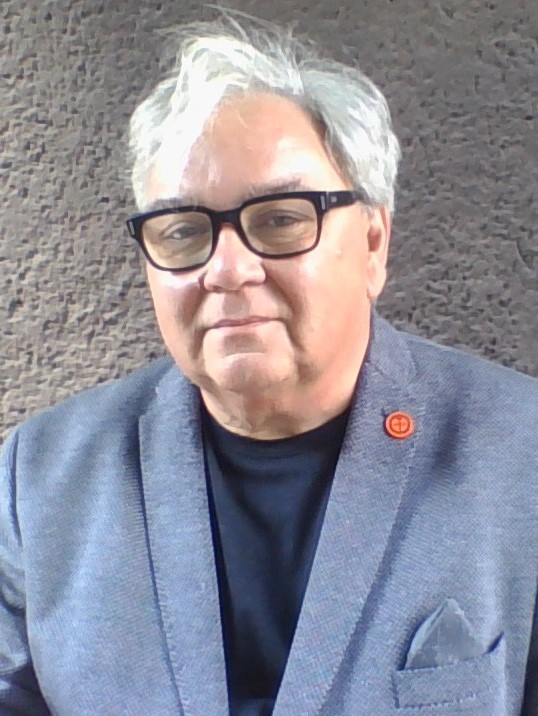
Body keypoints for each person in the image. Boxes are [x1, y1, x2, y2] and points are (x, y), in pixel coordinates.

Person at [0, 13, 536, 716]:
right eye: (183, 231)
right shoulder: (41, 479)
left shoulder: (520, 456)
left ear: (373, 243)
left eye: (281, 219)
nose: (227, 269)